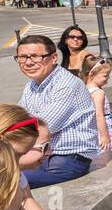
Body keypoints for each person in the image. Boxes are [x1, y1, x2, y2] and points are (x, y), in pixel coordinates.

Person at [15, 34, 101, 188]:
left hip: (67, 159)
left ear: (54, 58)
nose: (28, 62)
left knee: (2, 182)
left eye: (35, 56)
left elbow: (40, 127)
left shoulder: (66, 84)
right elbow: (17, 118)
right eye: (22, 57)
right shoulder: (32, 85)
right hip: (41, 155)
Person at [79, 56, 112, 151]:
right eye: (105, 76)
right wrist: (104, 136)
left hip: (91, 127)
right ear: (92, 74)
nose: (108, 78)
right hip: (105, 127)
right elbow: (99, 115)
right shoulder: (98, 93)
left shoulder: (84, 89)